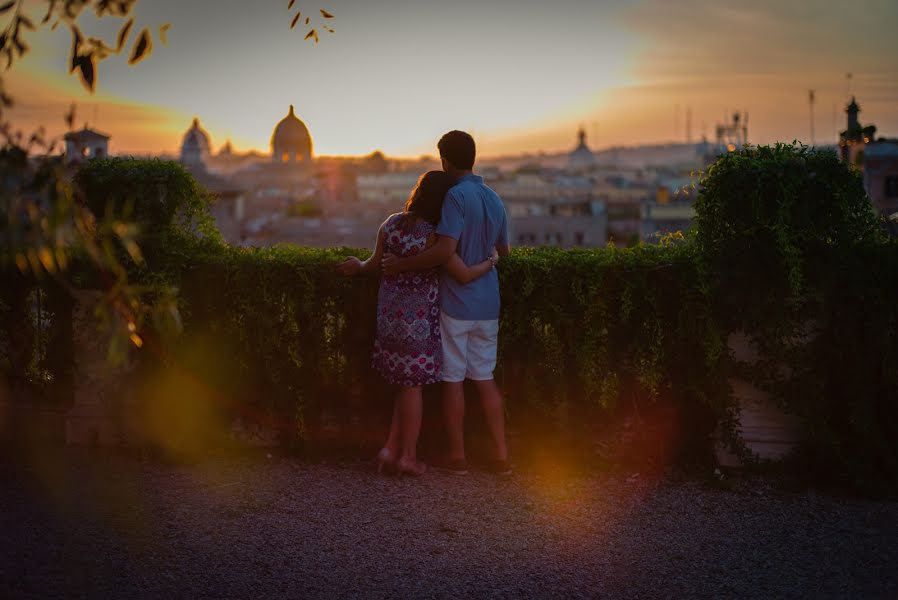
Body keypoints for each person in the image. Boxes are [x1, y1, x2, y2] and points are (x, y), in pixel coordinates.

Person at [336, 171, 497, 476]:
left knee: (403, 385)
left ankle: (389, 449)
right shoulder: (435, 234)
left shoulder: (391, 222)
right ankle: (407, 457)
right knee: (413, 388)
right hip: (418, 321)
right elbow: (459, 270)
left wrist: (356, 266)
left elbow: (372, 265)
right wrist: (490, 262)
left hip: (388, 317)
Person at [382, 131, 511, 476]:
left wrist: (400, 265)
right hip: (489, 303)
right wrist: (488, 259)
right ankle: (501, 456)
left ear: (446, 160)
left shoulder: (454, 197)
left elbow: (442, 251)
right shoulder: (494, 198)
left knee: (454, 380)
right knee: (485, 378)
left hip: (457, 303)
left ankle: (458, 457)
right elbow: (505, 251)